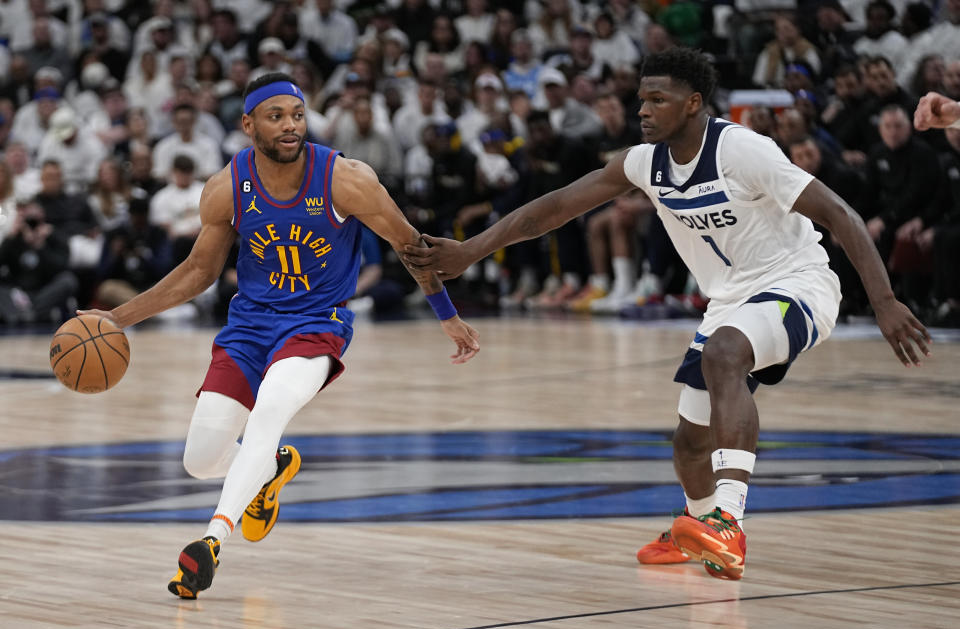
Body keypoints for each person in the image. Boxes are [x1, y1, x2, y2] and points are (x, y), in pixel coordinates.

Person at [402, 48, 930, 580]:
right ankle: (698, 529)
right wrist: (470, 251)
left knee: (724, 355)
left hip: (798, 284)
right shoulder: (644, 162)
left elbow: (841, 214)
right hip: (728, 301)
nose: (644, 111)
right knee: (688, 444)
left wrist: (884, 303)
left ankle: (729, 523)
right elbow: (552, 209)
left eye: (658, 100)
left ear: (694, 103)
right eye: (641, 101)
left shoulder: (743, 150)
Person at [79, 72, 480, 599]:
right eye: (276, 117)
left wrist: (446, 315)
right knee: (199, 460)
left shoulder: (346, 178)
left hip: (317, 324)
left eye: (297, 114)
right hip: (249, 327)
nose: (291, 125)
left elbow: (411, 246)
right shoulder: (228, 186)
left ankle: (210, 540)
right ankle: (269, 471)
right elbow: (199, 272)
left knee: (271, 409)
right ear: (248, 125)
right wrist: (115, 320)